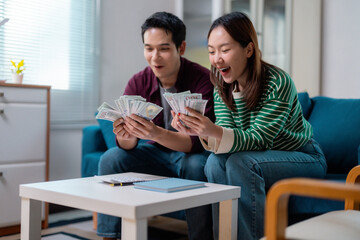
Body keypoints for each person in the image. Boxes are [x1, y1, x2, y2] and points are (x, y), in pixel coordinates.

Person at [171, 12, 327, 240]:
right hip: (256, 158)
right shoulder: (222, 87)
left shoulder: (278, 82)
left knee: (241, 162)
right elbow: (225, 135)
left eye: (225, 50)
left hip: (303, 157)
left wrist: (211, 130)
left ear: (249, 49)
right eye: (212, 51)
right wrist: (198, 130)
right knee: (214, 163)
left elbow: (260, 139)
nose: (216, 59)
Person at [97, 12, 215, 240]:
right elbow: (126, 145)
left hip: (190, 154)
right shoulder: (138, 81)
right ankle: (109, 235)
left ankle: (200, 236)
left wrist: (154, 132)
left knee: (196, 164)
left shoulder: (203, 79)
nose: (155, 58)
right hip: (155, 154)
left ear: (181, 48)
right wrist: (126, 136)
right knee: (110, 158)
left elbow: (193, 143)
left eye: (163, 49)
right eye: (148, 48)